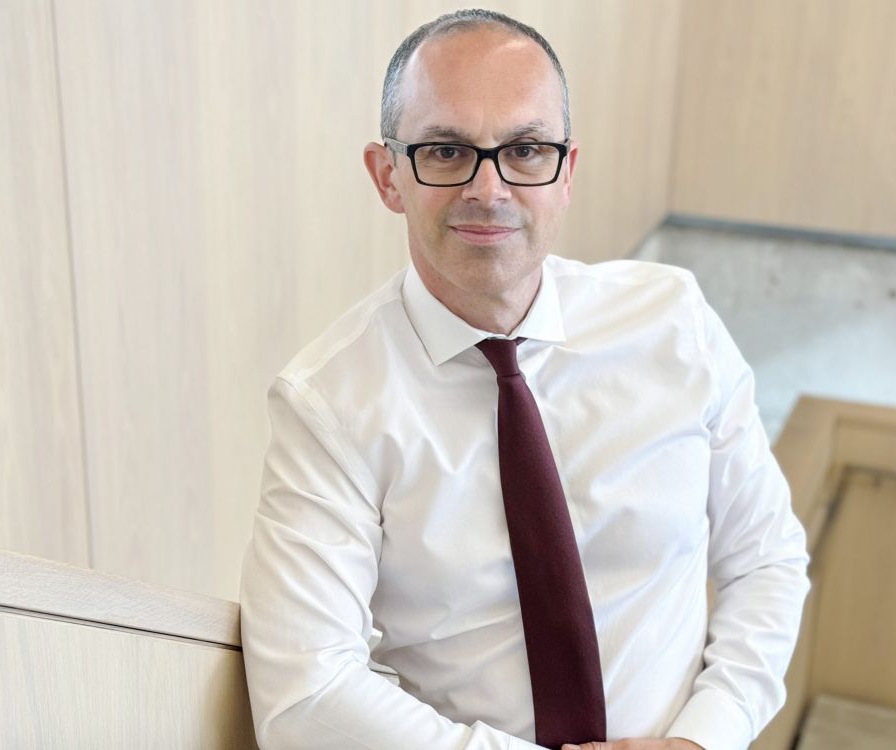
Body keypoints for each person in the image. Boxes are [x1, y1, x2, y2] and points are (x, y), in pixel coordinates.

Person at [238, 9, 811, 750]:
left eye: (526, 149)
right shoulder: (327, 403)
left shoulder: (676, 324)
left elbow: (766, 559)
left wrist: (705, 737)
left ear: (565, 172)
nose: (489, 187)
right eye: (446, 150)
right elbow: (305, 694)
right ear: (389, 177)